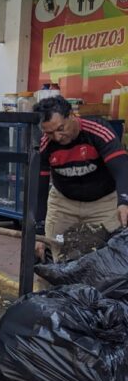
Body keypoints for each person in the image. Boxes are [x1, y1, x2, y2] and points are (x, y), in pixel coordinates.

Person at [34, 96, 128, 261]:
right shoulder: (44, 144)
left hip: (103, 203)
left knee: (109, 257)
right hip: (63, 203)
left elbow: (122, 169)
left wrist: (124, 202)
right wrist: (39, 230)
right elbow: (39, 188)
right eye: (49, 132)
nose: (57, 137)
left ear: (71, 115)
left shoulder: (98, 131)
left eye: (61, 128)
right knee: (53, 255)